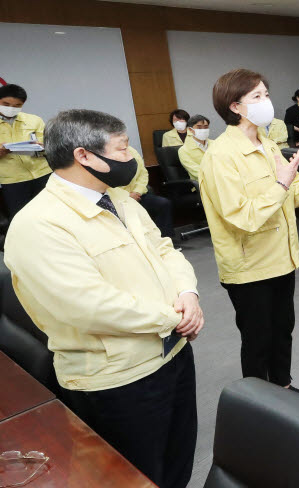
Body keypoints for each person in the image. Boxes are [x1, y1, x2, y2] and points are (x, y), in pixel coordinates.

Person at [4, 109, 203, 488]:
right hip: (118, 378)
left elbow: (163, 247)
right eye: (123, 149)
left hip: (174, 352)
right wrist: (173, 318)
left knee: (177, 463)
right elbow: (87, 305)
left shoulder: (117, 198)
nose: (131, 158)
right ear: (84, 156)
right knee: (135, 476)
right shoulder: (38, 225)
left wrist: (188, 294)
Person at [200, 68, 299, 400]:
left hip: (281, 258)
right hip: (249, 265)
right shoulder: (220, 156)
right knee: (257, 338)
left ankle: (283, 389)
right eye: (256, 96)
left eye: (267, 95)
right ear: (235, 106)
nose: (265, 101)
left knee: (282, 330)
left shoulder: (269, 144)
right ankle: (260, 406)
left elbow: (287, 198)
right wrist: (283, 183)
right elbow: (243, 217)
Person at [0, 83, 52, 217]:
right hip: (12, 180)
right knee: (20, 217)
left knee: (49, 214)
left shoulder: (34, 120)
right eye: (6, 104)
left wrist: (42, 146)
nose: (11, 108)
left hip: (42, 174)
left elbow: (50, 147)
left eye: (17, 105)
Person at [123, 144, 175, 239]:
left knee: (163, 204)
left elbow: (143, 174)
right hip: (119, 199)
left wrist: (137, 192)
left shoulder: (131, 150)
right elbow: (107, 185)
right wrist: (127, 196)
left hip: (138, 195)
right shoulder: (104, 155)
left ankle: (165, 241)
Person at [178, 114, 213, 182]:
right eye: (199, 128)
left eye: (206, 127)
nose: (203, 130)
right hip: (202, 183)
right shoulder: (183, 150)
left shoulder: (216, 144)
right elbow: (197, 172)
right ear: (190, 130)